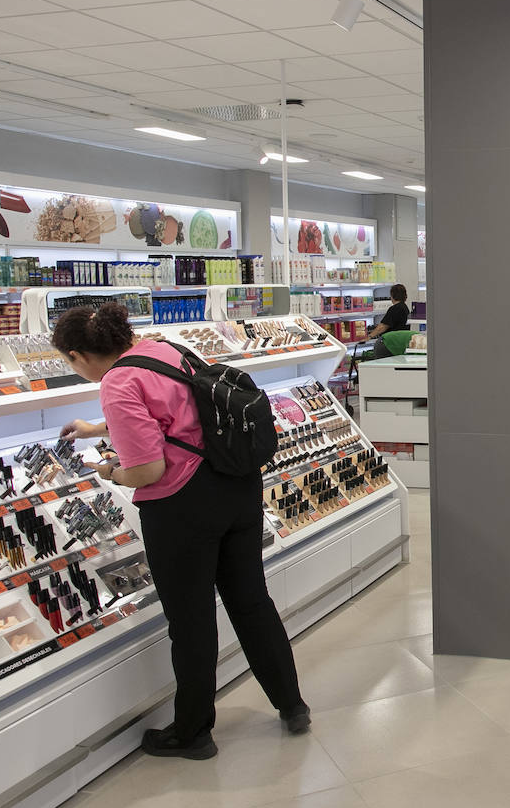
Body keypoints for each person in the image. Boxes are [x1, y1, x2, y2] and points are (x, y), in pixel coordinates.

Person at [53, 303, 308, 761]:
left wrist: (110, 471)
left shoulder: (116, 382)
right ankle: (292, 705)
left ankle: (192, 732)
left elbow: (147, 470)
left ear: (77, 356)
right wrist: (97, 428)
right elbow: (178, 411)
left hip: (183, 505)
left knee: (191, 620)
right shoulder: (162, 350)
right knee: (251, 601)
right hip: (236, 484)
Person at [369, 283, 411, 359]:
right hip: (401, 344)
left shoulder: (395, 308)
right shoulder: (405, 308)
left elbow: (382, 327)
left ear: (392, 296)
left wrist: (369, 336)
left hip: (390, 344)